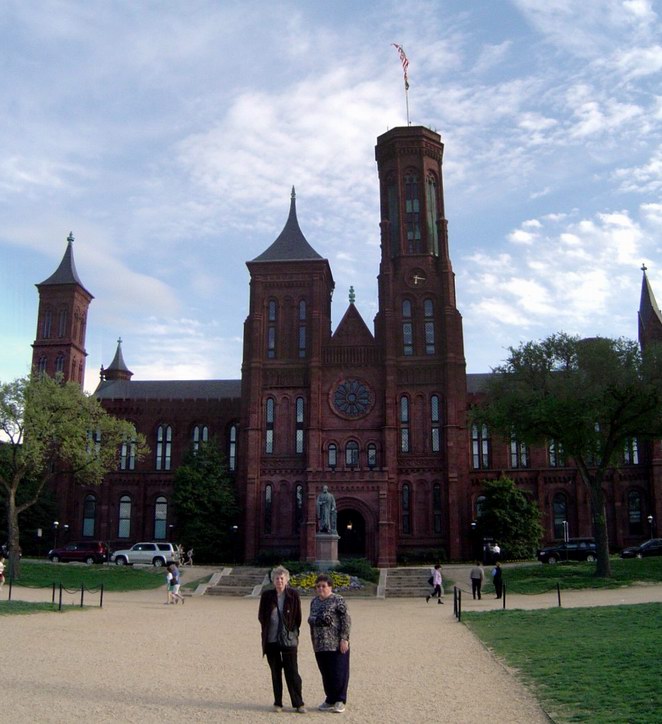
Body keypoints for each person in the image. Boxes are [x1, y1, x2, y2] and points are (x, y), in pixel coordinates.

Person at [258, 566, 306, 714]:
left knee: (292, 672)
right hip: (271, 639)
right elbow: (261, 616)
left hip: (288, 640)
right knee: (275, 672)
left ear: (287, 580)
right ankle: (278, 702)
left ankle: (298, 703)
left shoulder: (293, 595)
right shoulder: (267, 595)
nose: (279, 581)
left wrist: (291, 631)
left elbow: (298, 617)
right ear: (273, 580)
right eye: (277, 578)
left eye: (282, 578)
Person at [308, 573, 351, 714]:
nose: (320, 588)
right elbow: (311, 621)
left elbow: (346, 620)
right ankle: (330, 699)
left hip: (335, 643)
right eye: (318, 586)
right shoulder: (314, 602)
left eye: (324, 586)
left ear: (330, 587)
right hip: (320, 644)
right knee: (326, 673)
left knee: (339, 672)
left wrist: (344, 639)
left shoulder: (338, 600)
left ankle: (340, 700)